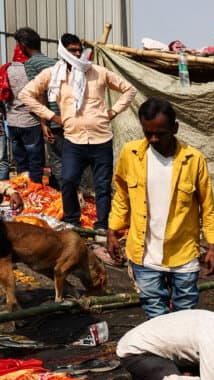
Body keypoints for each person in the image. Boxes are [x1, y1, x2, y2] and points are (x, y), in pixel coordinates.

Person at [108, 97, 214, 318]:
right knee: (156, 317)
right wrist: (113, 230)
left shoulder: (193, 160)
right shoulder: (131, 155)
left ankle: (180, 352)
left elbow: (207, 207)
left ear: (175, 128)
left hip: (183, 254)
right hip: (144, 255)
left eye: (160, 134)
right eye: (147, 133)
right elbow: (122, 196)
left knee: (184, 316)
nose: (153, 139)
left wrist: (212, 247)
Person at [18, 32, 135, 232]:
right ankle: (72, 223)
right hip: (74, 139)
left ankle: (101, 227)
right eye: (72, 50)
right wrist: (51, 117)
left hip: (101, 138)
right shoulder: (54, 74)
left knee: (102, 185)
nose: (77, 53)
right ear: (63, 52)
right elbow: (25, 94)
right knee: (69, 179)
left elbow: (129, 90)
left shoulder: (98, 71)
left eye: (79, 50)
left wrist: (113, 111)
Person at [18, 28, 62, 189]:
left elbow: (40, 94)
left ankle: (66, 203)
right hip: (66, 116)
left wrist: (43, 124)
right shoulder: (54, 62)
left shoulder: (31, 64)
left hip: (53, 119)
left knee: (57, 162)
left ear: (23, 45)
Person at [5, 40, 46, 183]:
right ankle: (35, 191)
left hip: (12, 122)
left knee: (20, 161)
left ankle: (22, 188)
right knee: (35, 161)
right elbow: (40, 95)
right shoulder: (30, 69)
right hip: (30, 122)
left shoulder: (6, 69)